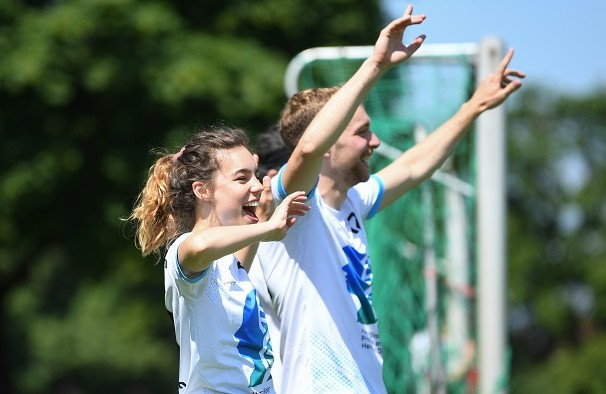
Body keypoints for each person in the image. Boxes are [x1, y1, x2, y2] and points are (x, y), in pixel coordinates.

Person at [250, 4, 526, 393]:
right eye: (362, 132)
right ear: (330, 144)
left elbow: (414, 167)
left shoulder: (353, 203)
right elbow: (309, 146)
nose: (375, 142)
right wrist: (376, 64)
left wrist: (474, 106)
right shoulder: (295, 207)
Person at [127, 124, 308, 393]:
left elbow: (230, 257)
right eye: (241, 178)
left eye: (255, 176)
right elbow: (198, 246)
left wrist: (262, 217)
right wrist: (268, 229)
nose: (257, 186)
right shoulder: (185, 250)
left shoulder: (227, 262)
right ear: (203, 191)